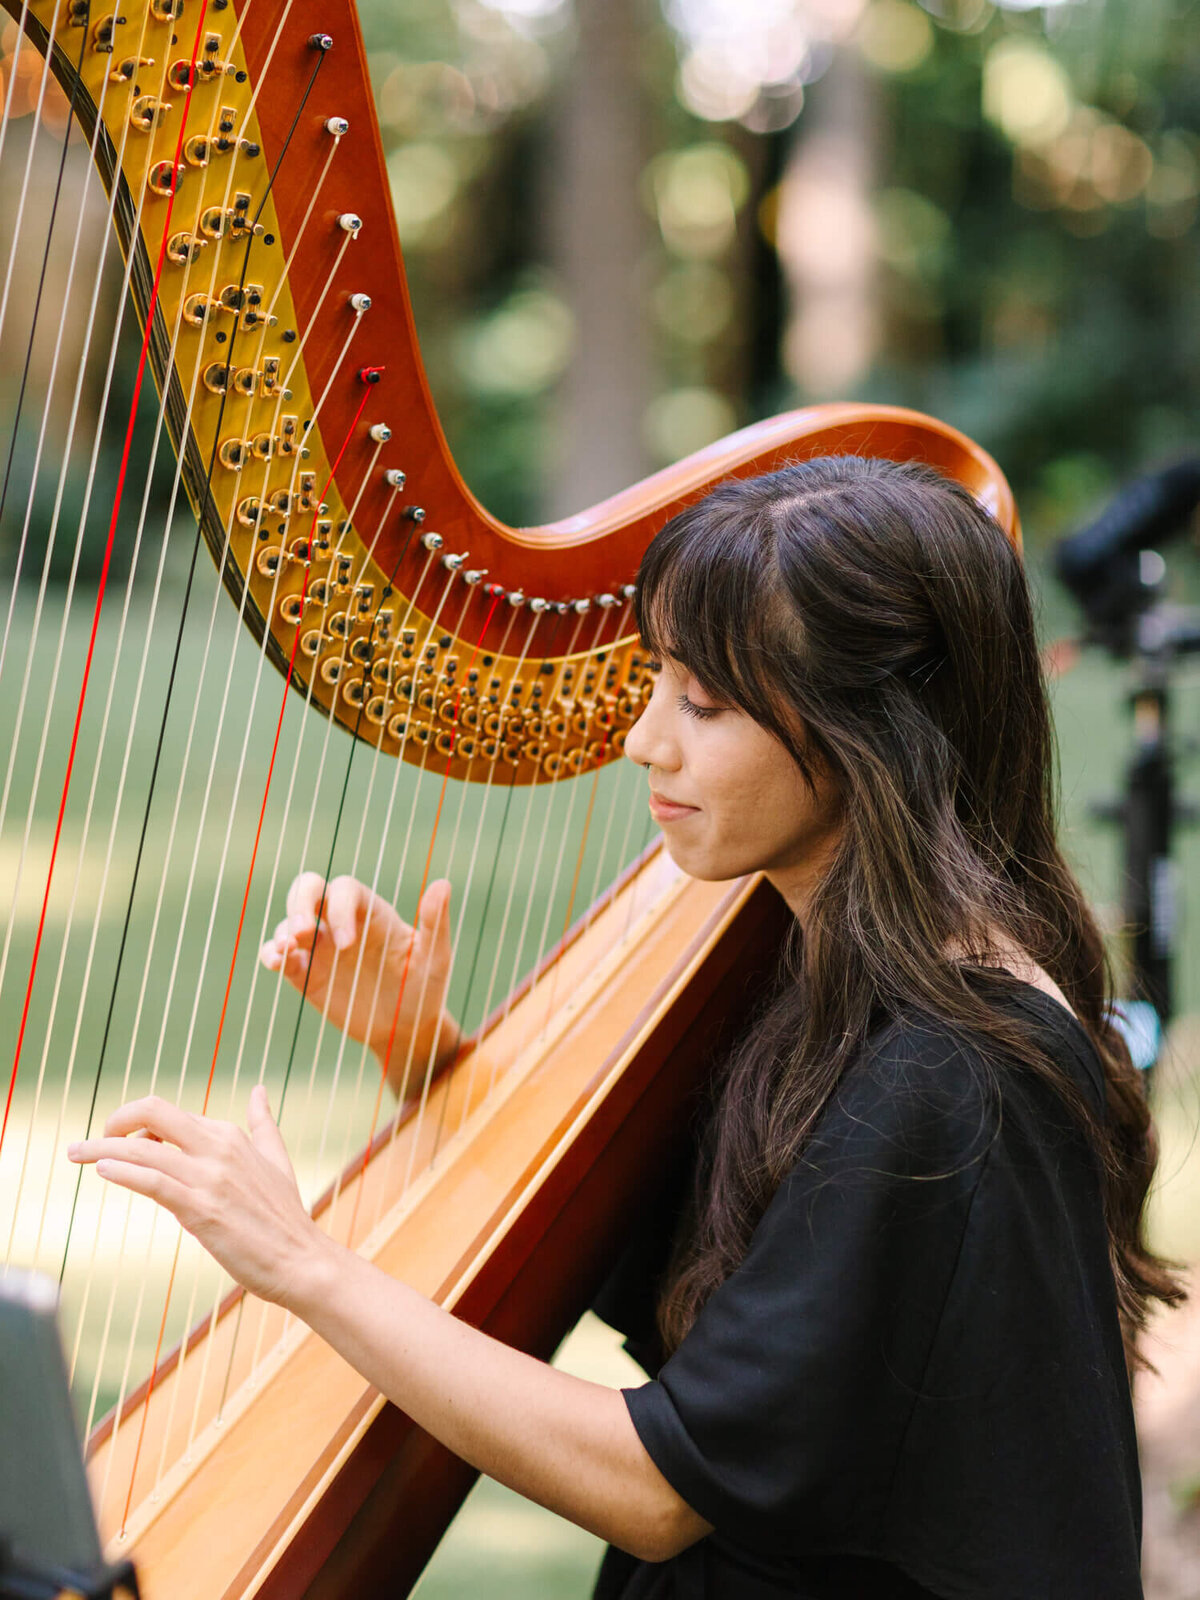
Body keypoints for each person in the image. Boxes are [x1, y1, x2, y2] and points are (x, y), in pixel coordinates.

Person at [69, 456, 1183, 1599]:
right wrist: (424, 1049)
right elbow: (714, 1288)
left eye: (703, 703)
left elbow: (661, 1487)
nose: (645, 740)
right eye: (658, 681)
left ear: (878, 731)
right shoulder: (838, 962)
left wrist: (304, 1265)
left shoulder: (951, 1070)